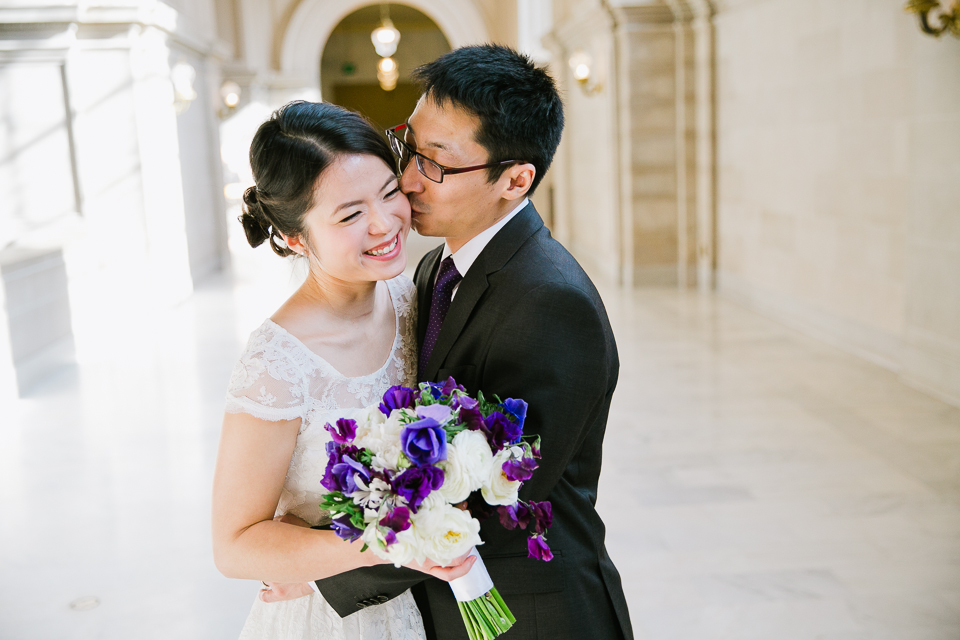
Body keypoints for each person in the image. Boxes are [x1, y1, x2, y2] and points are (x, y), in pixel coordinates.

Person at [308, 44, 635, 640]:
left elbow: (496, 494)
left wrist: (321, 572)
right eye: (410, 147)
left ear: (514, 180)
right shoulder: (440, 265)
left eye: (436, 164)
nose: (407, 181)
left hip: (530, 612)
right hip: (450, 599)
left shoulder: (550, 301)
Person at [210, 101, 474, 640]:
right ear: (294, 238)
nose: (384, 224)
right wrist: (390, 541)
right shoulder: (276, 363)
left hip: (424, 605)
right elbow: (234, 545)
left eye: (387, 193)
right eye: (350, 215)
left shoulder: (412, 295)